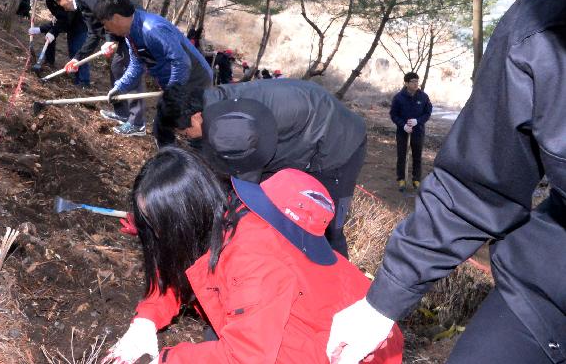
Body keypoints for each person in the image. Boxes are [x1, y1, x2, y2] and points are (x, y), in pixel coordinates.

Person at [326, 0, 566, 364]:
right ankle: (409, 181)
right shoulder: (537, 36)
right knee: (406, 164)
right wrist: (385, 298)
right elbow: (477, 179)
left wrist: (422, 115)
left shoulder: (423, 96)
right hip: (554, 274)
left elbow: (430, 106)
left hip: (418, 129)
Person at [103, 148, 403, 364]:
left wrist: (163, 360)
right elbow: (178, 264)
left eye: (158, 224)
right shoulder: (218, 214)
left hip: (351, 348)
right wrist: (144, 322)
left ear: (184, 218)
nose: (154, 233)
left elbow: (247, 357)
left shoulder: (251, 257)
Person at [158, 78, 367, 257]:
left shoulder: (231, 126)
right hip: (302, 136)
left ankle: (340, 289)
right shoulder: (215, 104)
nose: (184, 137)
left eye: (183, 132)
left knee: (326, 225)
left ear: (195, 117)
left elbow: (245, 184)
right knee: (281, 212)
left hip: (338, 142)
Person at [93, 0, 213, 146]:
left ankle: (198, 159)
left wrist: (170, 94)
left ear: (115, 18)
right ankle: (170, 157)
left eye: (105, 23)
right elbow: (137, 63)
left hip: (194, 80)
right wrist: (120, 87)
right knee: (164, 127)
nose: (106, 29)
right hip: (176, 82)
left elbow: (182, 63)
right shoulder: (131, 33)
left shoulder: (152, 29)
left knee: (191, 127)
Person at [54, 0, 146, 136]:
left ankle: (137, 123)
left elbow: (106, 11)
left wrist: (109, 39)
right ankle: (122, 113)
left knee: (127, 69)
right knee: (117, 68)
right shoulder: (84, 7)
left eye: (60, 4)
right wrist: (77, 58)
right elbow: (93, 34)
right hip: (122, 31)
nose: (63, 8)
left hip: (132, 25)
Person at [28, 0, 89, 86]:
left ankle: (83, 82)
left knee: (77, 50)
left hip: (79, 23)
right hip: (66, 22)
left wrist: (51, 31)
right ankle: (49, 61)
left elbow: (64, 18)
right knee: (52, 36)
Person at [389, 72, 432, 192]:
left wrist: (417, 121)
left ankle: (416, 179)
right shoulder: (398, 97)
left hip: (418, 131)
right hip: (403, 132)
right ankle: (401, 179)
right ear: (406, 83)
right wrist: (403, 125)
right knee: (402, 155)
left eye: (417, 81)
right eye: (413, 81)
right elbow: (393, 115)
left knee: (417, 156)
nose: (416, 84)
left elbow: (428, 113)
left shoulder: (423, 97)